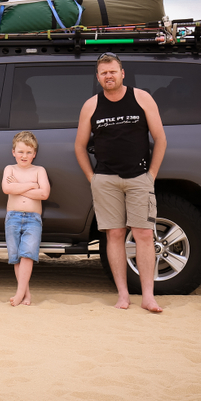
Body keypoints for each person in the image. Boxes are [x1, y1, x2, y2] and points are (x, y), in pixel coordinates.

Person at [74, 52, 167, 313]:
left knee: (144, 235)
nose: (109, 76)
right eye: (104, 73)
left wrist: (152, 175)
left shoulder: (142, 98)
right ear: (98, 77)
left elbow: (160, 139)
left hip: (139, 178)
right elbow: (80, 146)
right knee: (114, 234)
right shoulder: (91, 105)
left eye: (113, 71)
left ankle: (148, 296)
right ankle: (123, 295)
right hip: (105, 179)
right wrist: (92, 178)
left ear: (122, 73)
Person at [1, 131, 50, 306]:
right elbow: (7, 188)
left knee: (27, 255)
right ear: (13, 152)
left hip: (33, 219)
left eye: (29, 152)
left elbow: (44, 193)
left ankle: (19, 293)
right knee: (16, 257)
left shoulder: (39, 170)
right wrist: (30, 186)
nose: (24, 156)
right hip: (13, 217)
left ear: (34, 154)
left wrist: (18, 186)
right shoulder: (10, 169)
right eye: (21, 151)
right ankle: (26, 294)